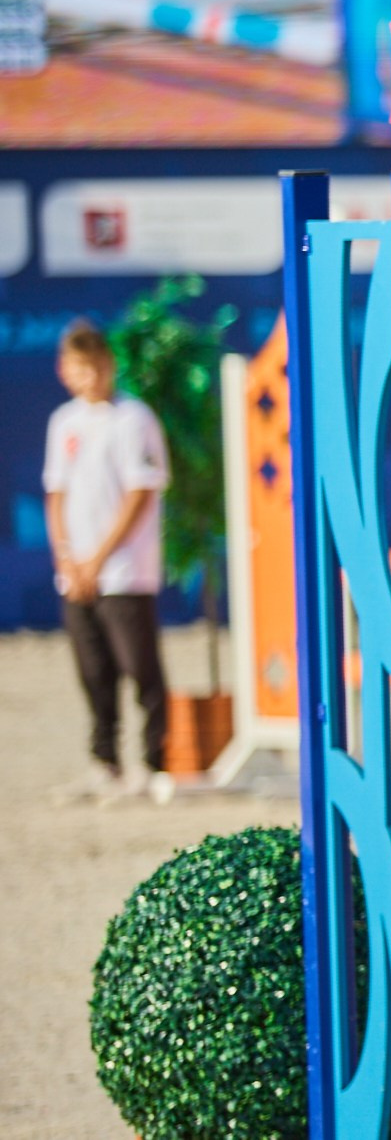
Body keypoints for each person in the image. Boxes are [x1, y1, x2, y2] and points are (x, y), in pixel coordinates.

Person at [44, 320, 174, 804]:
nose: (89, 377)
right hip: (76, 573)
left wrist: (97, 558)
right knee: (93, 670)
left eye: (97, 367)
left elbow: (141, 493)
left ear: (110, 365)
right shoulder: (64, 422)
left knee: (140, 669)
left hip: (125, 571)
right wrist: (68, 558)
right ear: (64, 371)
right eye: (79, 368)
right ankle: (105, 763)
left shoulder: (133, 418)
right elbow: (55, 493)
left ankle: (155, 763)